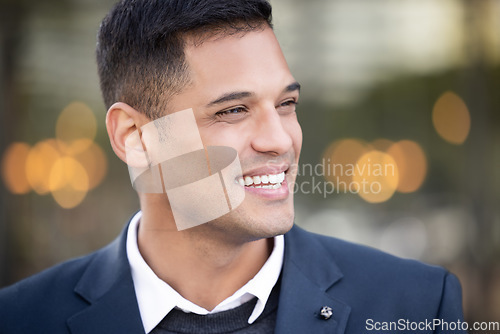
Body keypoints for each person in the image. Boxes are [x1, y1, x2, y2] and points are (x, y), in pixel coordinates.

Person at [0, 0, 466, 333]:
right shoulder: (19, 319)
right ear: (136, 138)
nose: (280, 139)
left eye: (286, 103)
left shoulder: (418, 306)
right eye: (233, 111)